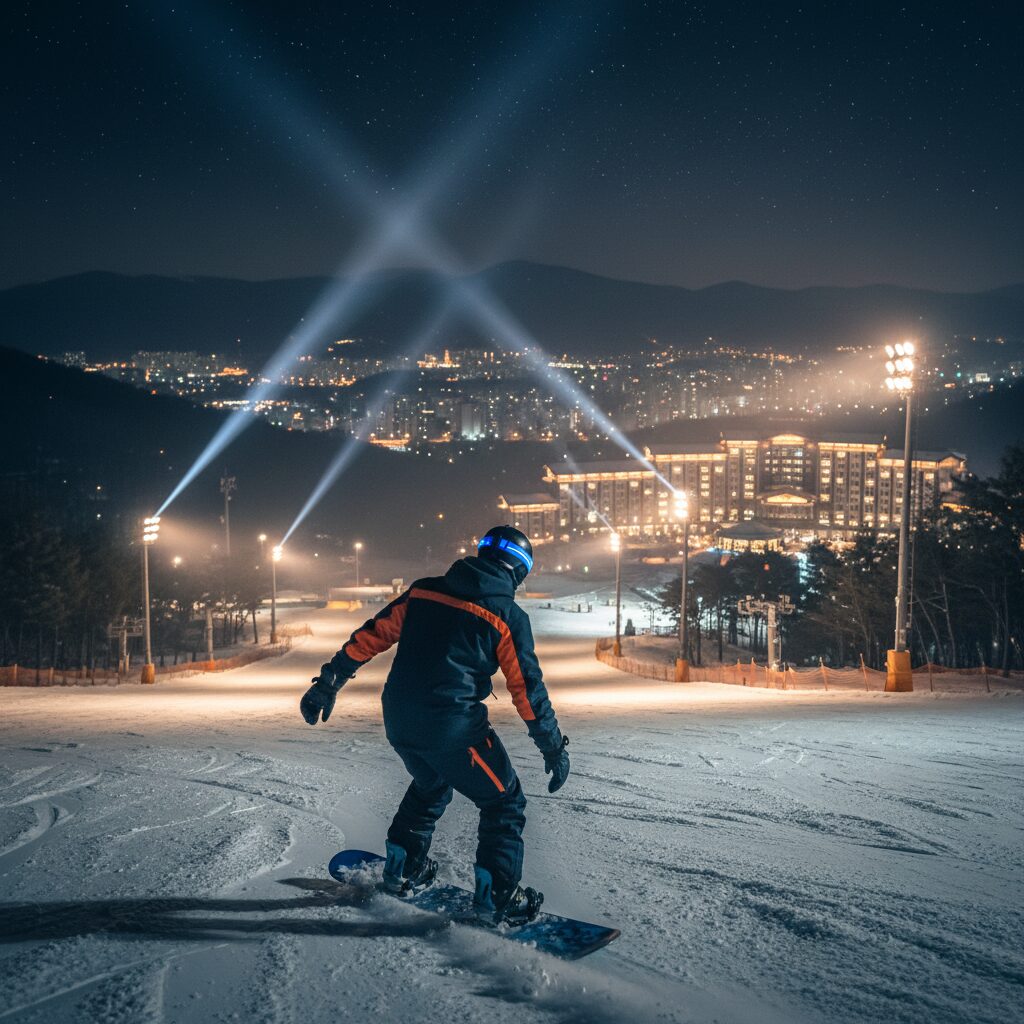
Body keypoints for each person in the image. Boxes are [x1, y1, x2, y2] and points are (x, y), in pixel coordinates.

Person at [299, 525, 570, 926]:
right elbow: (526, 690)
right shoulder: (506, 616)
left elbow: (372, 635)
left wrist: (328, 682)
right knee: (504, 801)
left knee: (433, 782)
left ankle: (402, 867)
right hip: (452, 726)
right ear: (518, 571)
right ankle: (498, 898)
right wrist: (552, 746)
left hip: (399, 717)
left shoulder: (424, 591)